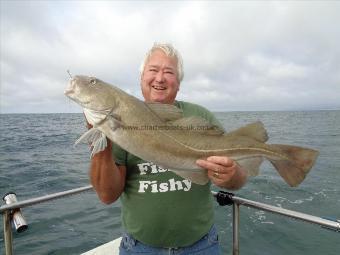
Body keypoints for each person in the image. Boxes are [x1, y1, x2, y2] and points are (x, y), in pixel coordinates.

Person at [88, 43, 247, 254]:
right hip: (140, 249)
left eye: (169, 72)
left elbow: (238, 179)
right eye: (153, 70)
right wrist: (102, 137)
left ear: (178, 83)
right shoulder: (120, 121)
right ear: (141, 78)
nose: (160, 78)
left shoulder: (201, 117)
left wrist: (232, 175)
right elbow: (107, 195)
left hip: (202, 246)